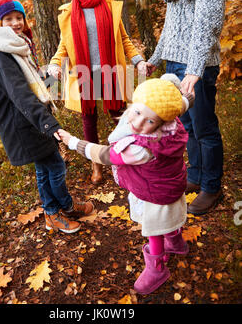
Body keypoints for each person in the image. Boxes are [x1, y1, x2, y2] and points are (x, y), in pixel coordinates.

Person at [57, 75, 194, 294]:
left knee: (154, 230)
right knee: (169, 218)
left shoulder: (141, 148)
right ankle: (176, 243)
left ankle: (157, 269)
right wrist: (187, 96)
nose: (138, 123)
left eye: (149, 121)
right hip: (172, 183)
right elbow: (183, 103)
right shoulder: (172, 120)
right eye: (137, 112)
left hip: (154, 193)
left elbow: (103, 154)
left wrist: (72, 142)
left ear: (161, 121)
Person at [0, 0, 94, 234]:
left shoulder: (16, 47)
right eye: (8, 18)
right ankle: (55, 212)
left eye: (19, 17)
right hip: (25, 124)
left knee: (46, 168)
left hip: (32, 120)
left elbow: (32, 84)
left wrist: (51, 77)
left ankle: (63, 206)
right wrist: (51, 125)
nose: (16, 22)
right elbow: (21, 95)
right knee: (55, 166)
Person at [140, 0, 228, 215]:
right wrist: (156, 56)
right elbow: (173, 25)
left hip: (198, 64)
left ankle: (211, 186)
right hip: (176, 63)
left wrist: (195, 68)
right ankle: (195, 176)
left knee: (204, 127)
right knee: (187, 126)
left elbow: (208, 20)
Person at [48, 0, 145, 185]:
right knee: (88, 119)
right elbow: (63, 46)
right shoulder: (68, 14)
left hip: (111, 70)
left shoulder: (110, 6)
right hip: (84, 73)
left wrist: (139, 60)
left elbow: (124, 39)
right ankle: (96, 164)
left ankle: (127, 156)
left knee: (120, 116)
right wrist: (54, 63)